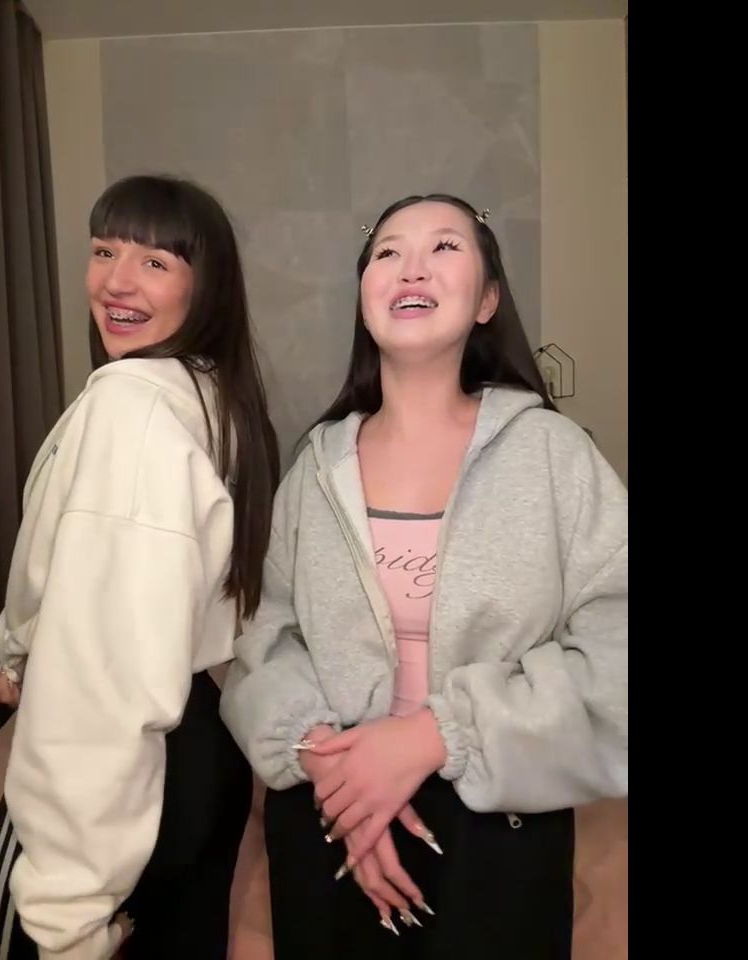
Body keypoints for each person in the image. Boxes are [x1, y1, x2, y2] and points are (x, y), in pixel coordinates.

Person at [221, 193, 627, 959]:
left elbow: (619, 650)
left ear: (488, 299)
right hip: (327, 819)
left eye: (444, 247)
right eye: (387, 252)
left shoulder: (553, 456)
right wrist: (332, 767)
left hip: (498, 829)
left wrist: (437, 735)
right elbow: (263, 641)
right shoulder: (315, 468)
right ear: (365, 293)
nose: (411, 267)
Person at [0, 174, 280, 960]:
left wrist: (66, 909)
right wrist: (21, 654)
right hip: (202, 756)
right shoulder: (218, 401)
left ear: (206, 288)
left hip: (136, 769)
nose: (116, 281)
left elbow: (104, 677)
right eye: (105, 251)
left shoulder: (131, 406)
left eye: (155, 262)